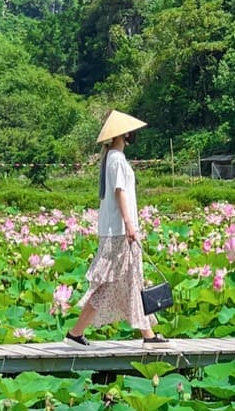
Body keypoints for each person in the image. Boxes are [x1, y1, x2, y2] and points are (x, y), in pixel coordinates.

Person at [66, 110, 167, 345]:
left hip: (117, 230)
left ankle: (147, 334)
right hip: (120, 231)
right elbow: (120, 192)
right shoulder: (117, 160)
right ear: (124, 134)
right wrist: (130, 224)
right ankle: (75, 332)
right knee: (108, 283)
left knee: (133, 280)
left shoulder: (111, 157)